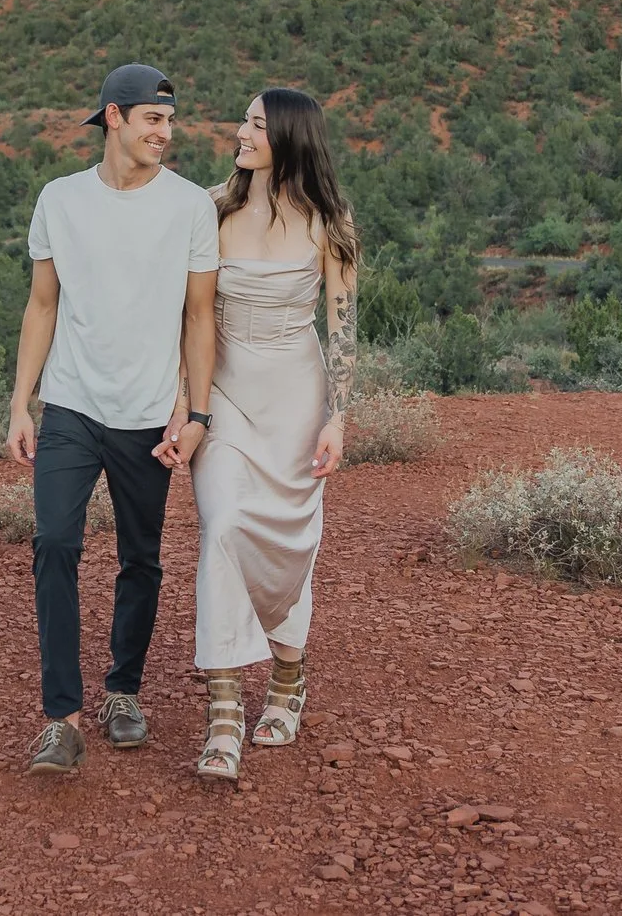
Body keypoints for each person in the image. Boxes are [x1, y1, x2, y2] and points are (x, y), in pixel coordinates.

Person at [6, 63, 219, 777]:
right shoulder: (59, 200)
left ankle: (123, 689)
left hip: (145, 417)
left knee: (141, 557)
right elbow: (42, 305)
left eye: (170, 120)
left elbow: (199, 315)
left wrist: (196, 412)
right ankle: (61, 718)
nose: (167, 132)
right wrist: (21, 401)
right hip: (70, 404)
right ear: (115, 118)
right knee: (55, 542)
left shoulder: (190, 206)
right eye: (154, 119)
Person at [186, 87, 359, 782]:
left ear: (287, 136)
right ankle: (223, 713)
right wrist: (185, 404)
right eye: (244, 119)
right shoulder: (210, 207)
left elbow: (342, 328)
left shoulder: (330, 220)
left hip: (295, 396)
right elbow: (186, 314)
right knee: (223, 524)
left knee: (290, 541)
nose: (241, 130)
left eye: (256, 123)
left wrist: (337, 415)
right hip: (223, 393)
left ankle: (288, 675)